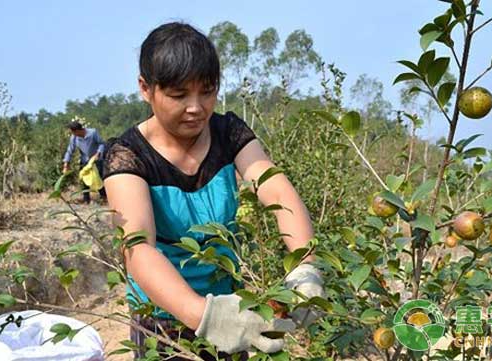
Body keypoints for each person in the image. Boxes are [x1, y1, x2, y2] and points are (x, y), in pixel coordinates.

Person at [102, 22, 325, 360]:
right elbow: (139, 249)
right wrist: (204, 316)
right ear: (145, 88)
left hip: (234, 310)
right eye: (179, 95)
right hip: (165, 320)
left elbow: (277, 191)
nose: (196, 107)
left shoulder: (228, 134)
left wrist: (306, 265)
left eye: (207, 91)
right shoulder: (128, 156)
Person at [62, 119, 107, 204]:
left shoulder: (92, 133)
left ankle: (104, 198)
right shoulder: (74, 137)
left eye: (73, 132)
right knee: (84, 179)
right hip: (84, 161)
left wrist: (98, 153)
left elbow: (102, 143)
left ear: (78, 130)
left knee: (99, 179)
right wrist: (66, 164)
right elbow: (70, 150)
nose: (73, 134)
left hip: (96, 160)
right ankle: (86, 200)